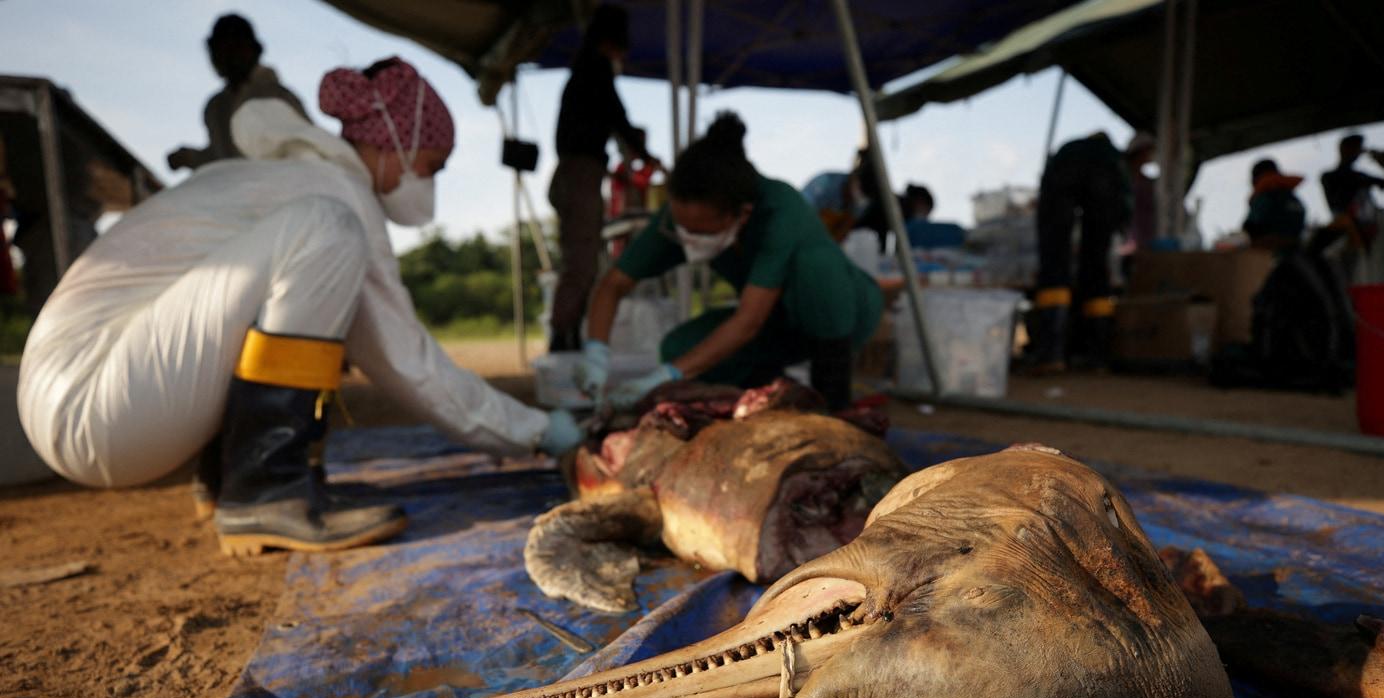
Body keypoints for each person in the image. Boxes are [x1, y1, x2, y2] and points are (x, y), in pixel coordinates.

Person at [18, 58, 581, 557]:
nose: (429, 183)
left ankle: (236, 477)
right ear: (397, 143)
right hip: (94, 401)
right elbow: (411, 366)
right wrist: (542, 431)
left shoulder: (284, 179)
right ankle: (265, 488)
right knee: (325, 229)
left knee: (306, 252)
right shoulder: (337, 194)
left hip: (84, 393)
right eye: (431, 165)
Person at [576, 112, 884, 411]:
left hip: (840, 316)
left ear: (742, 214)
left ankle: (833, 406)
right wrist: (596, 353)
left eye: (699, 231)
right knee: (680, 350)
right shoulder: (683, 216)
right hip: (776, 324)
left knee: (816, 270)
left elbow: (748, 322)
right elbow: (614, 284)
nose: (687, 238)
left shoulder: (780, 209)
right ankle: (771, 399)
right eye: (681, 227)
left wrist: (666, 376)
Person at [547, 4, 655, 352]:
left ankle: (567, 333)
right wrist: (648, 156)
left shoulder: (583, 72)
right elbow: (619, 120)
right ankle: (564, 337)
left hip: (576, 172)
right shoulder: (595, 70)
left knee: (580, 259)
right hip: (579, 174)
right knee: (581, 261)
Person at [1030, 130, 1154, 373]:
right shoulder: (1113, 164)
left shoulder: (1072, 153)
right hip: (1098, 193)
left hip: (1062, 183)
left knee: (1055, 265)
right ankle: (1097, 358)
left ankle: (1051, 355)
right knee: (1097, 269)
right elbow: (1122, 209)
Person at [167, 14, 308, 171]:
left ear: (252, 51)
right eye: (220, 49)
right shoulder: (215, 107)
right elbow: (222, 160)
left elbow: (309, 149)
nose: (227, 56)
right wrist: (191, 158)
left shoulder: (279, 97)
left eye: (234, 47)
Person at [1321, 132, 1384, 250]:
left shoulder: (1359, 176)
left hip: (1368, 230)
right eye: (1356, 148)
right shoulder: (1332, 176)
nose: (1357, 153)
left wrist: (1381, 159)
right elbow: (1337, 207)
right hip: (1349, 231)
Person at [1243, 159, 1305, 252]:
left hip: (1268, 252)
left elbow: (1250, 226)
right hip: (1296, 249)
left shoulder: (1264, 196)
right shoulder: (1290, 196)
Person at [901, 184, 966, 249]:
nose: (927, 218)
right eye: (926, 213)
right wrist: (963, 234)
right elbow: (923, 232)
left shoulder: (906, 228)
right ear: (920, 203)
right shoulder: (913, 229)